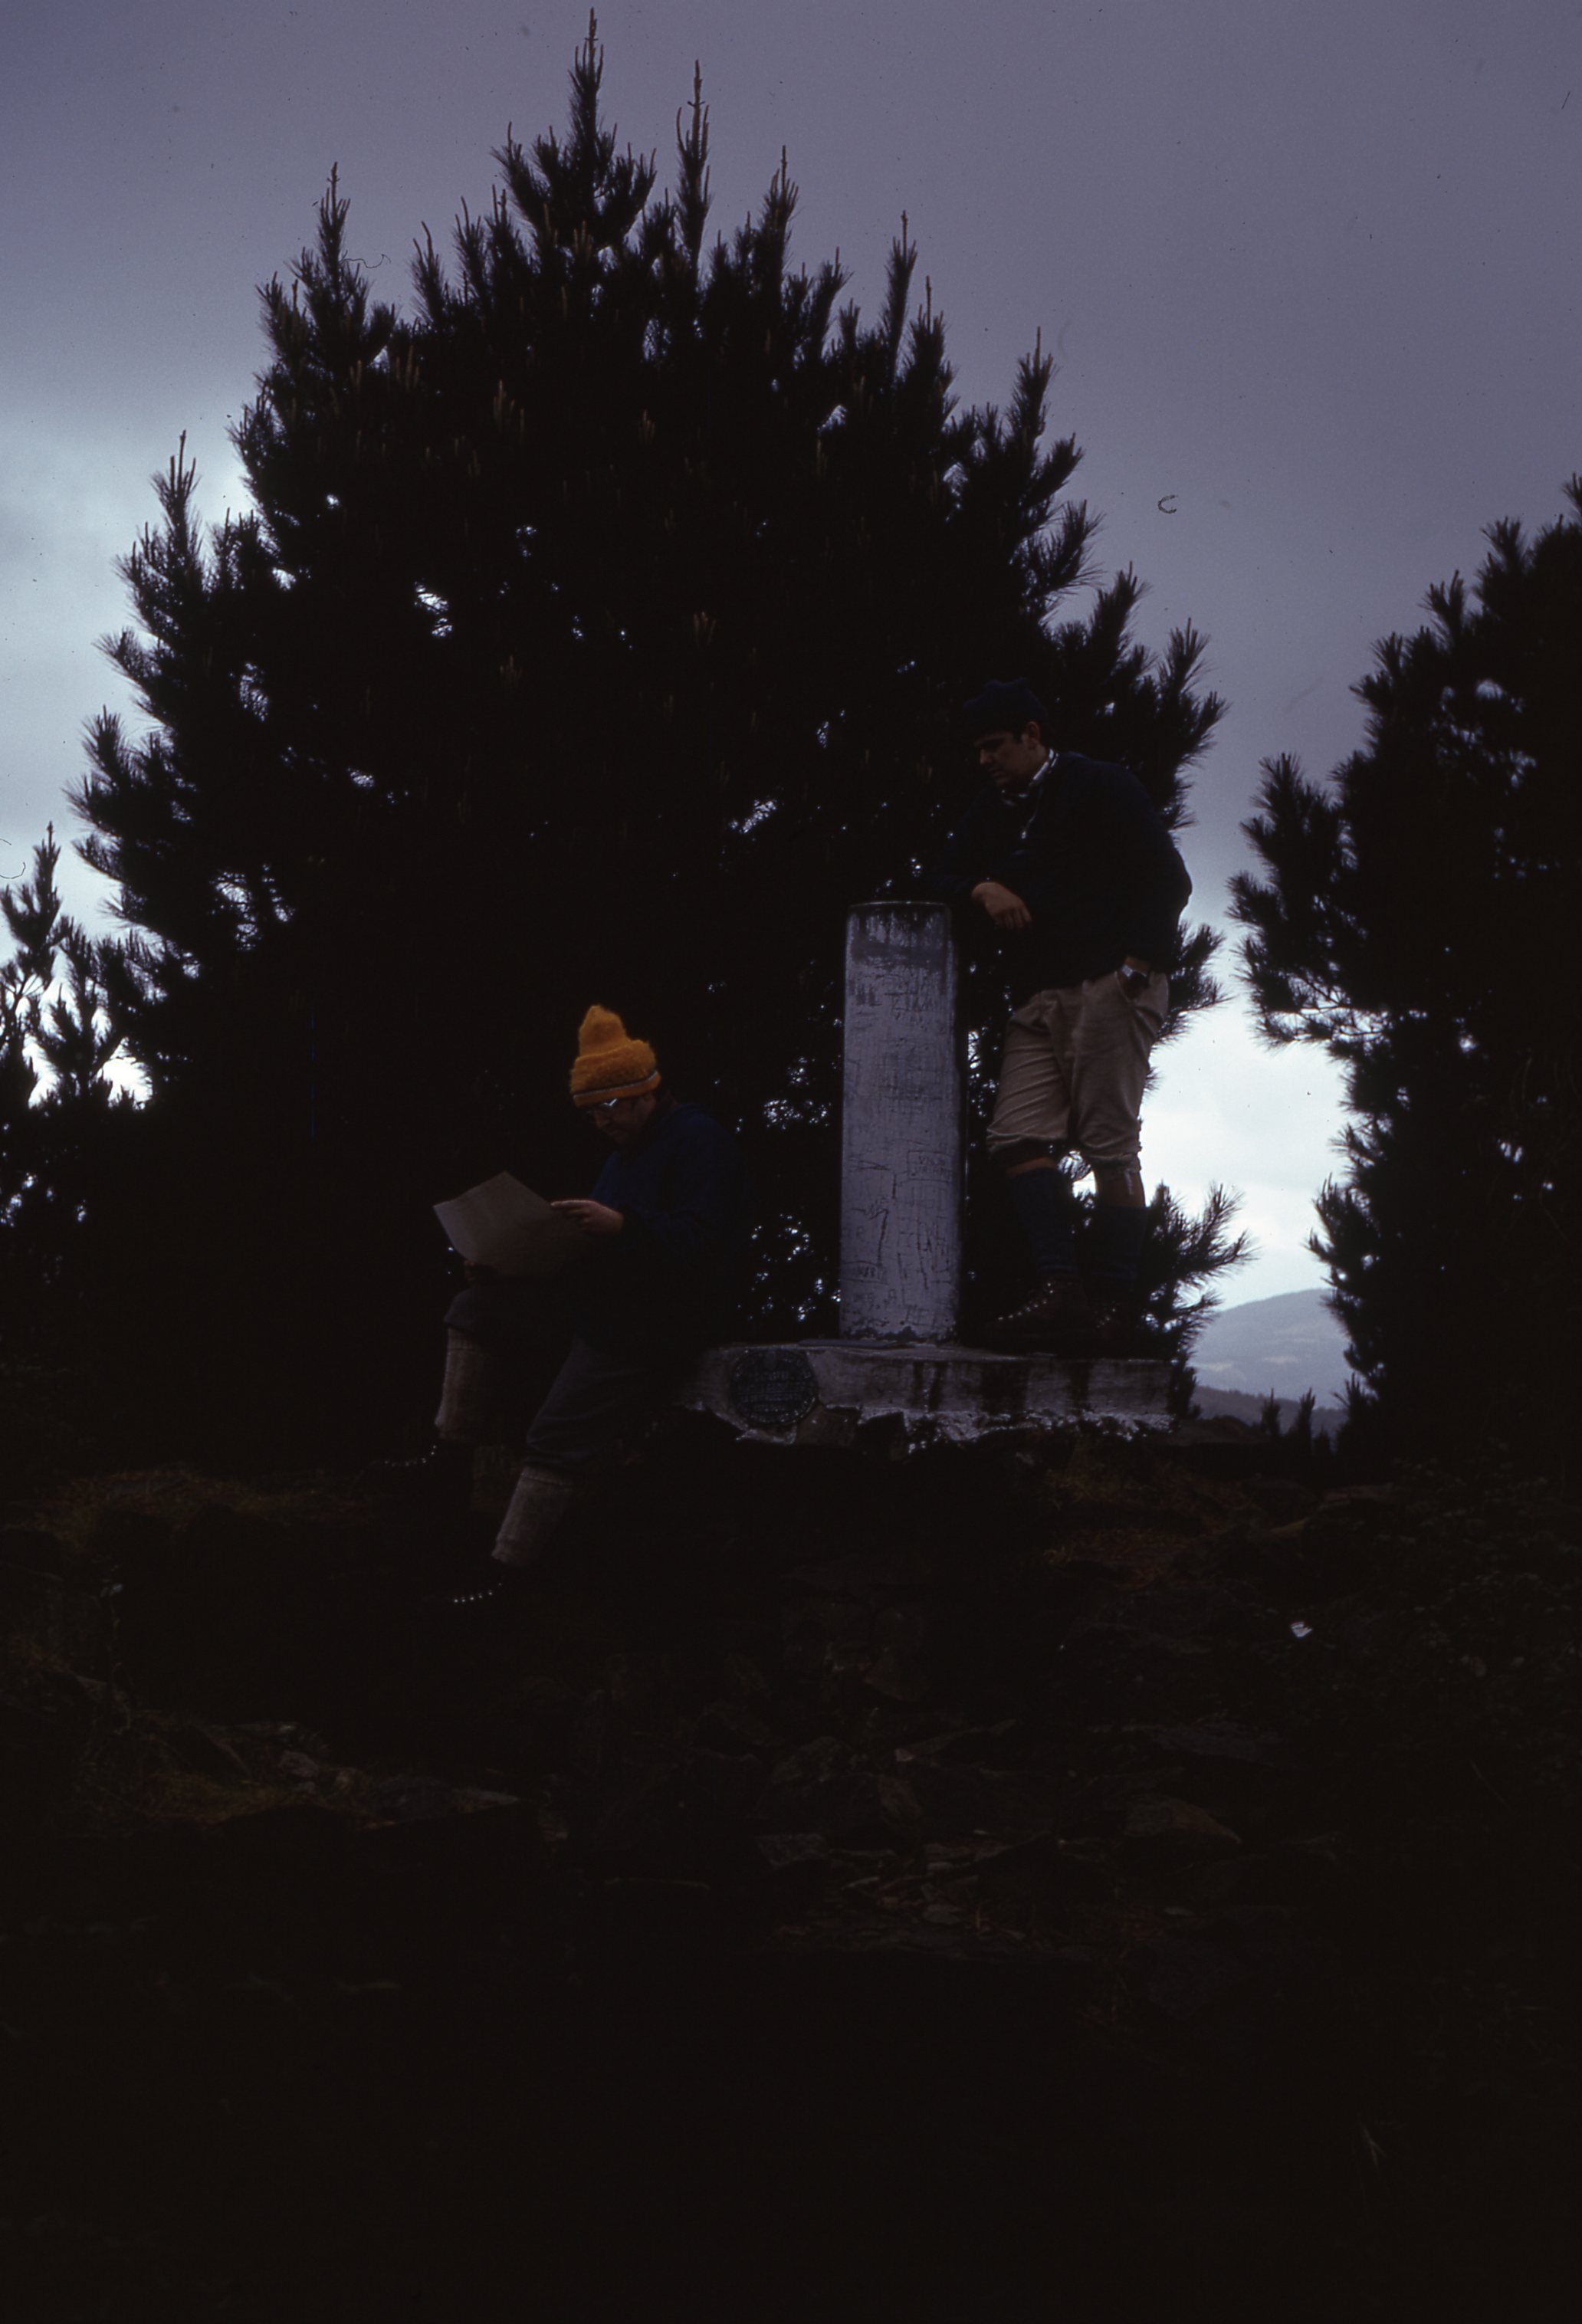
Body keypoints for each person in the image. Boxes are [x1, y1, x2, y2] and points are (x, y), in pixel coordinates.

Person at [389, 1005, 750, 1600]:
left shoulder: (699, 1140)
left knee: (554, 1433)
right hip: (599, 1302)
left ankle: (508, 1576)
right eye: (591, 1111)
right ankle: (448, 1458)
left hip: (654, 1321)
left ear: (646, 1091)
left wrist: (623, 1225)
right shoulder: (620, 1156)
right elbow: (588, 1257)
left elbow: (706, 1244)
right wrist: (507, 1267)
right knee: (475, 1309)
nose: (603, 1121)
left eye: (612, 1105)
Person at [929, 678, 1192, 1352]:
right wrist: (983, 887)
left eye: (996, 745)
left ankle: (1113, 1306)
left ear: (1032, 735)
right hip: (1037, 997)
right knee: (1016, 1137)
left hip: (1110, 985)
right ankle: (1061, 1291)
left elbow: (1169, 879)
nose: (985, 760)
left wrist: (1136, 967)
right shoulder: (991, 811)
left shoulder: (1101, 785)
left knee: (1110, 1146)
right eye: (978, 750)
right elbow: (940, 874)